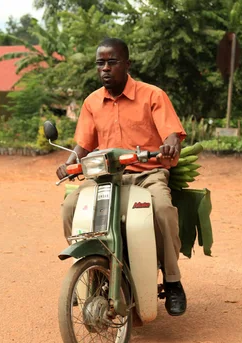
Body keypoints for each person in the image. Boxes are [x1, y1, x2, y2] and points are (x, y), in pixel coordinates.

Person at [57, 38, 187, 316]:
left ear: (127, 64)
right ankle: (89, 269)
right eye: (100, 63)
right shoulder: (92, 102)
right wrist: (68, 162)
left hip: (146, 174)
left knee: (163, 210)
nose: (105, 68)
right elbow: (83, 144)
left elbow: (171, 132)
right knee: (69, 208)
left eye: (112, 62)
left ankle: (173, 281)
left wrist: (171, 142)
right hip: (104, 178)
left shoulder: (152, 95)